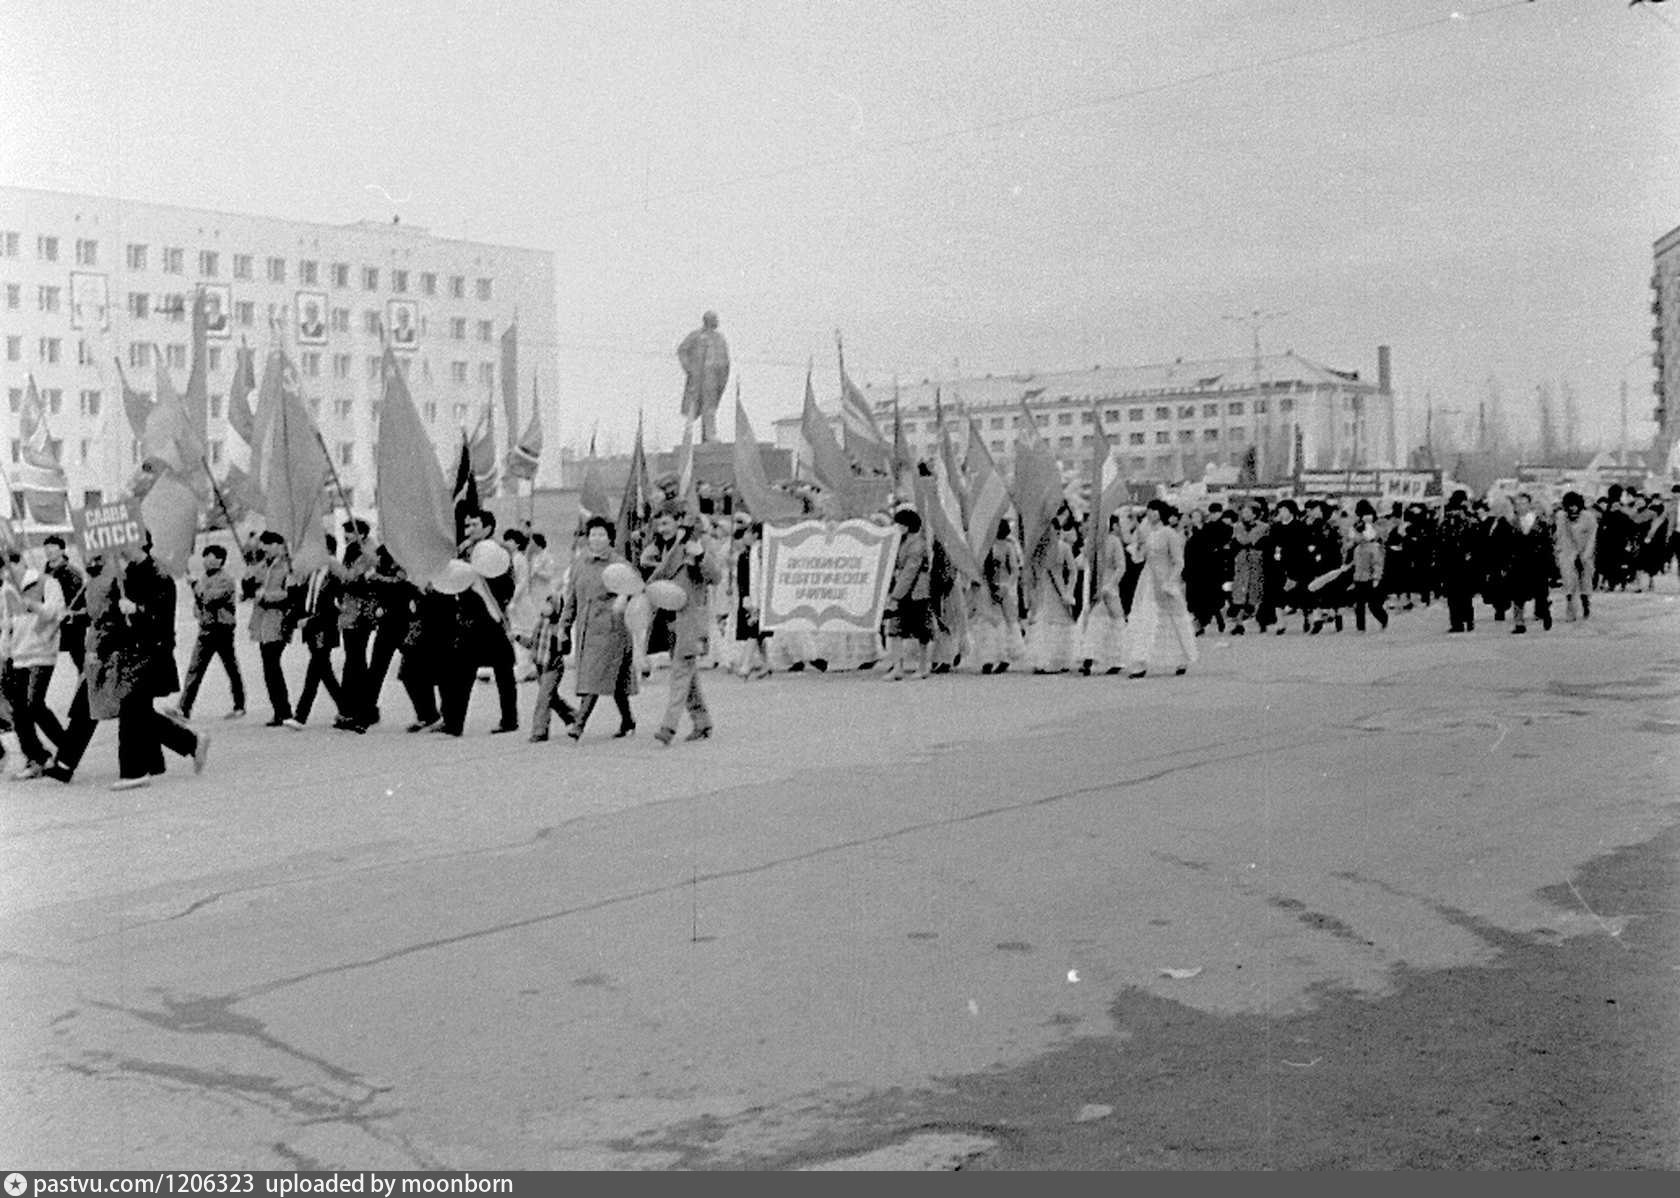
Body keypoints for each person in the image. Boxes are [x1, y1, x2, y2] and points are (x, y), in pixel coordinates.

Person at [648, 508, 723, 745]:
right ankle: (702, 722)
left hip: (688, 622)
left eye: (667, 523)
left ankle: (668, 728)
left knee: (680, 674)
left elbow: (716, 577)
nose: (663, 529)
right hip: (667, 622)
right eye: (659, 525)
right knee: (688, 677)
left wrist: (700, 556)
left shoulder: (691, 547)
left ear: (678, 523)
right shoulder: (657, 551)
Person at [560, 516, 639, 740]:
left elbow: (634, 587)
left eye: (601, 534)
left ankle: (579, 723)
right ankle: (627, 720)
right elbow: (572, 598)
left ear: (610, 538)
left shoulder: (619, 564)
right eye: (593, 534)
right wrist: (564, 626)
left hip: (611, 629)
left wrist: (623, 598)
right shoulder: (580, 563)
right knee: (617, 682)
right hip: (586, 628)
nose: (596, 539)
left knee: (594, 676)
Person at [2, 557, 67, 779]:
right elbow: (6, 623)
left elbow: (56, 613)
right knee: (19, 711)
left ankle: (68, 747)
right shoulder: (8, 590)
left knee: (34, 704)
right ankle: (36, 757)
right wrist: (4, 652)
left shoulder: (46, 582)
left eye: (7, 569)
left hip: (41, 652)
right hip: (18, 655)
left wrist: (32, 604)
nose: (6, 575)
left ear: (19, 563)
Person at [172, 544, 246, 721]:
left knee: (230, 667)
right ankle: (184, 708)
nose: (206, 561)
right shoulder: (204, 578)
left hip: (222, 628)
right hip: (206, 628)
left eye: (211, 557)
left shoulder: (225, 580)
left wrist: (195, 586)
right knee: (195, 669)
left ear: (220, 560)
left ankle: (239, 704)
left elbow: (209, 598)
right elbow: (200, 603)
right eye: (205, 557)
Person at [1124, 499, 1198, 678]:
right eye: (1149, 510)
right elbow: (1139, 558)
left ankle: (1180, 659)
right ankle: (1140, 662)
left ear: (1162, 513)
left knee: (1172, 618)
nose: (1151, 513)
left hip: (1165, 579)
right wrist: (1138, 546)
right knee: (1146, 618)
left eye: (1155, 510)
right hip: (1148, 579)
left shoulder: (1169, 534)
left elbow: (1179, 561)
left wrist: (1170, 582)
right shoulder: (1146, 532)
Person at [286, 535, 348, 730]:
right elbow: (305, 598)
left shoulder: (334, 574)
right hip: (311, 628)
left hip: (323, 627)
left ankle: (301, 716)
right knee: (324, 672)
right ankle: (347, 709)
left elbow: (334, 607)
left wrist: (310, 621)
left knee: (315, 671)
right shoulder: (312, 573)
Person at [248, 532, 297, 725]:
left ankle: (283, 711)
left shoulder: (288, 566)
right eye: (263, 545)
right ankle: (280, 710)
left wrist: (267, 595)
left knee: (272, 666)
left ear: (279, 545)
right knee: (269, 668)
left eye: (269, 544)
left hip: (278, 620)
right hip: (262, 621)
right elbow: (252, 586)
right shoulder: (262, 565)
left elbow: (291, 594)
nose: (265, 548)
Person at [883, 508, 933, 680]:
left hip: (916, 592)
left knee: (921, 632)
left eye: (900, 523)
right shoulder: (903, 542)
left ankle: (923, 666)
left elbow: (909, 573)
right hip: (906, 591)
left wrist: (896, 596)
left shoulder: (917, 545)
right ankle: (898, 667)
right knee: (895, 629)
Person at [1024, 518, 1078, 674]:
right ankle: (1041, 661)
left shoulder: (1064, 547)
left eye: (1051, 529)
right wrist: (1031, 593)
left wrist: (1069, 590)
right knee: (1042, 624)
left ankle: (1058, 661)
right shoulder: (1038, 549)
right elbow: (1032, 573)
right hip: (1042, 590)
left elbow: (1073, 570)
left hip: (1058, 591)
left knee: (1058, 623)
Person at [971, 520, 1022, 674]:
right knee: (987, 620)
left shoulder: (1007, 547)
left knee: (1004, 621)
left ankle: (1004, 657)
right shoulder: (981, 547)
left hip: (1003, 587)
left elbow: (1014, 570)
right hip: (985, 586)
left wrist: (1006, 588)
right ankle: (987, 659)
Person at [526, 589, 577, 742]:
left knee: (543, 699)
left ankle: (539, 731)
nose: (546, 606)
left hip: (553, 668)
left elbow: (566, 650)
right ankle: (573, 715)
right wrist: (516, 637)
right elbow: (532, 643)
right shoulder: (540, 624)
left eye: (550, 603)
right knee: (551, 698)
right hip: (540, 666)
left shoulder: (559, 628)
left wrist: (562, 639)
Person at [676, 310, 730, 443]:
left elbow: (725, 357)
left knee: (711, 406)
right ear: (708, 320)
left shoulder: (720, 337)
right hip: (703, 375)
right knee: (704, 406)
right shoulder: (696, 336)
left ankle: (709, 434)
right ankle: (708, 434)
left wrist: (724, 373)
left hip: (718, 376)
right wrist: (690, 369)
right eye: (715, 319)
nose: (717, 321)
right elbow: (682, 350)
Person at [42, 534, 87, 673]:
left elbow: (80, 600)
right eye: (47, 548)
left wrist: (71, 613)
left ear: (62, 550)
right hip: (52, 623)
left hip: (70, 623)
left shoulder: (72, 573)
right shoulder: (43, 574)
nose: (49, 551)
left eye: (53, 547)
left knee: (77, 659)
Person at [1438, 490, 1481, 633]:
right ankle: (1464, 621)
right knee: (1462, 595)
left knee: (1458, 595)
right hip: (1460, 561)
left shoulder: (1457, 520)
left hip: (1456, 562)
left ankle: (1460, 622)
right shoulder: (1461, 519)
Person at [1554, 491, 1597, 622]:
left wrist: (1586, 554)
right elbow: (1560, 536)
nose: (1572, 508)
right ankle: (1570, 609)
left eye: (1575, 505)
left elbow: (1592, 538)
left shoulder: (1589, 517)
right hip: (1568, 553)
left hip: (1585, 553)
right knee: (1569, 581)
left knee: (1585, 582)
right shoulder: (1562, 518)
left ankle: (1585, 603)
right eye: (1569, 505)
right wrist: (1560, 553)